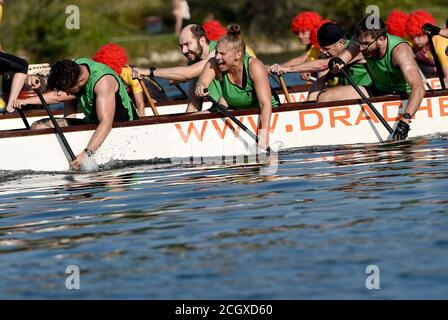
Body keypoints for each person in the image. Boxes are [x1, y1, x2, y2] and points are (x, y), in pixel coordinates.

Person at [11, 58, 139, 170]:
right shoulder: (73, 68)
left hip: (119, 126)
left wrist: (85, 154)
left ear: (81, 80)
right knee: (38, 126)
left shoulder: (103, 82)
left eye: (69, 91)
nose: (66, 93)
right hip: (93, 123)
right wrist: (33, 82)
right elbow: (58, 95)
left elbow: (106, 123)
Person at [323, 16, 425, 141]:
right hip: (379, 90)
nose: (360, 48)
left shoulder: (400, 51)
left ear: (381, 39)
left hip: (403, 95)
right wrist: (335, 64)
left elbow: (418, 88)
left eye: (365, 44)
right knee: (326, 96)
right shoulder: (360, 43)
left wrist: (405, 120)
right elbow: (340, 61)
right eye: (359, 43)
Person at [132, 24, 257, 112]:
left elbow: (188, 74)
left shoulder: (217, 52)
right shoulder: (192, 63)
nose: (184, 51)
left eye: (187, 44)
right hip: (220, 110)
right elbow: (194, 104)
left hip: (245, 108)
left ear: (202, 41)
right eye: (181, 46)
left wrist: (150, 71)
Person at [195, 24, 279, 150]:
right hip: (238, 109)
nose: (217, 57)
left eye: (222, 54)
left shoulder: (255, 66)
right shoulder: (214, 63)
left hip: (266, 111)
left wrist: (263, 135)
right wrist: (200, 87)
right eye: (216, 52)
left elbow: (265, 104)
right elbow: (202, 82)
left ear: (238, 55)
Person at [270, 22, 372, 101]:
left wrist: (287, 69)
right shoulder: (325, 54)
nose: (323, 52)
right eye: (322, 48)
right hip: (353, 92)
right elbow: (319, 82)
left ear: (341, 42)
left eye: (327, 49)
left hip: (371, 91)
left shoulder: (355, 49)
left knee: (325, 96)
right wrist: (308, 106)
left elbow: (322, 65)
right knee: (320, 95)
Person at [93, 43, 145, 117]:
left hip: (140, 94)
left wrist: (141, 120)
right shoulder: (105, 76)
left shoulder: (128, 74)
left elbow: (140, 104)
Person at [269, 11, 322, 81]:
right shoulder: (310, 47)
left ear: (313, 30)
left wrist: (278, 67)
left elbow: (299, 60)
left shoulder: (319, 46)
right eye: (298, 32)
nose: (299, 36)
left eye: (303, 32)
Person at [405, 10, 448, 84]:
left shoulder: (438, 42)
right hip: (427, 73)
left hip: (443, 71)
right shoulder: (410, 41)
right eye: (412, 36)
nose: (415, 40)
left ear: (427, 32)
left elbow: (446, 65)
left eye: (419, 35)